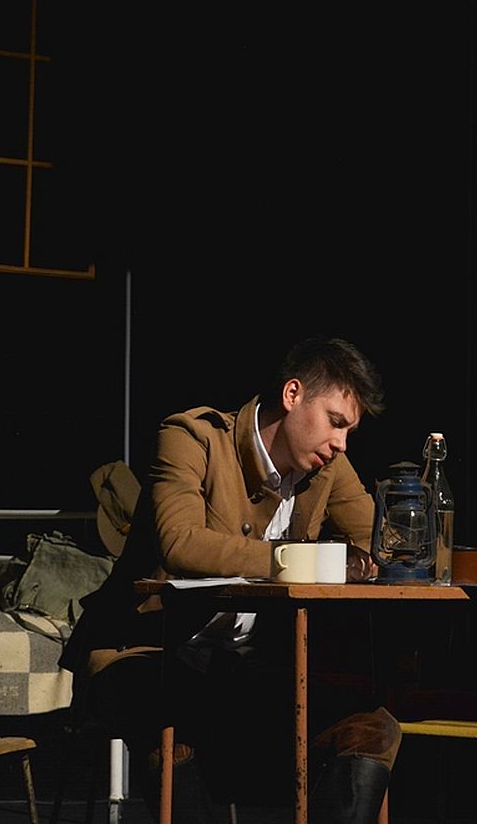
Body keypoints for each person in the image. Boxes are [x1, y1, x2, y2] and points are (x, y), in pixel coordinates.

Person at [60, 336, 399, 823]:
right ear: (293, 395)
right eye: (335, 421)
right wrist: (299, 560)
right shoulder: (192, 437)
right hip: (140, 650)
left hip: (231, 665)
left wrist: (378, 555)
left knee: (371, 728)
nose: (341, 442)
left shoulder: (327, 467)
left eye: (349, 430)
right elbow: (180, 542)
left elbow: (383, 545)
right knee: (170, 716)